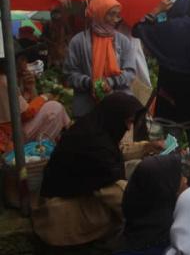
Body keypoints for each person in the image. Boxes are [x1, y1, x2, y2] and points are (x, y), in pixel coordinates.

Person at [33, 93, 144, 246]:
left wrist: (148, 147)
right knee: (114, 212)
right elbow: (116, 194)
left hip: (64, 200)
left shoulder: (94, 129)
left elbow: (117, 152)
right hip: (56, 218)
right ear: (114, 116)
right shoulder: (92, 145)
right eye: (128, 122)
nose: (129, 128)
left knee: (138, 168)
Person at [133, 0, 190, 182]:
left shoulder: (165, 29)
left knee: (172, 143)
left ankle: (176, 183)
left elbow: (137, 29)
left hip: (171, 94)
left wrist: (157, 10)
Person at [103, 155, 187, 255]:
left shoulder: (136, 228)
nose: (185, 180)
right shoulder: (171, 245)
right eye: (178, 177)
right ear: (164, 191)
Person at [63, 0, 136, 118]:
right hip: (87, 108)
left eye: (117, 15)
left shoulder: (123, 41)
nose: (115, 19)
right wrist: (89, 82)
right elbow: (69, 74)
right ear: (99, 14)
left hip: (119, 106)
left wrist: (111, 82)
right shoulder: (78, 41)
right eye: (111, 14)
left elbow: (130, 72)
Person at [0, 42, 70, 154]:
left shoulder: (13, 79)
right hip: (8, 139)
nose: (25, 64)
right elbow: (27, 113)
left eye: (24, 60)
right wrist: (44, 97)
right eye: (22, 60)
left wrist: (31, 88)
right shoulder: (4, 81)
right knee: (54, 108)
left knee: (53, 109)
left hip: (15, 131)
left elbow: (28, 109)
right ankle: (37, 152)